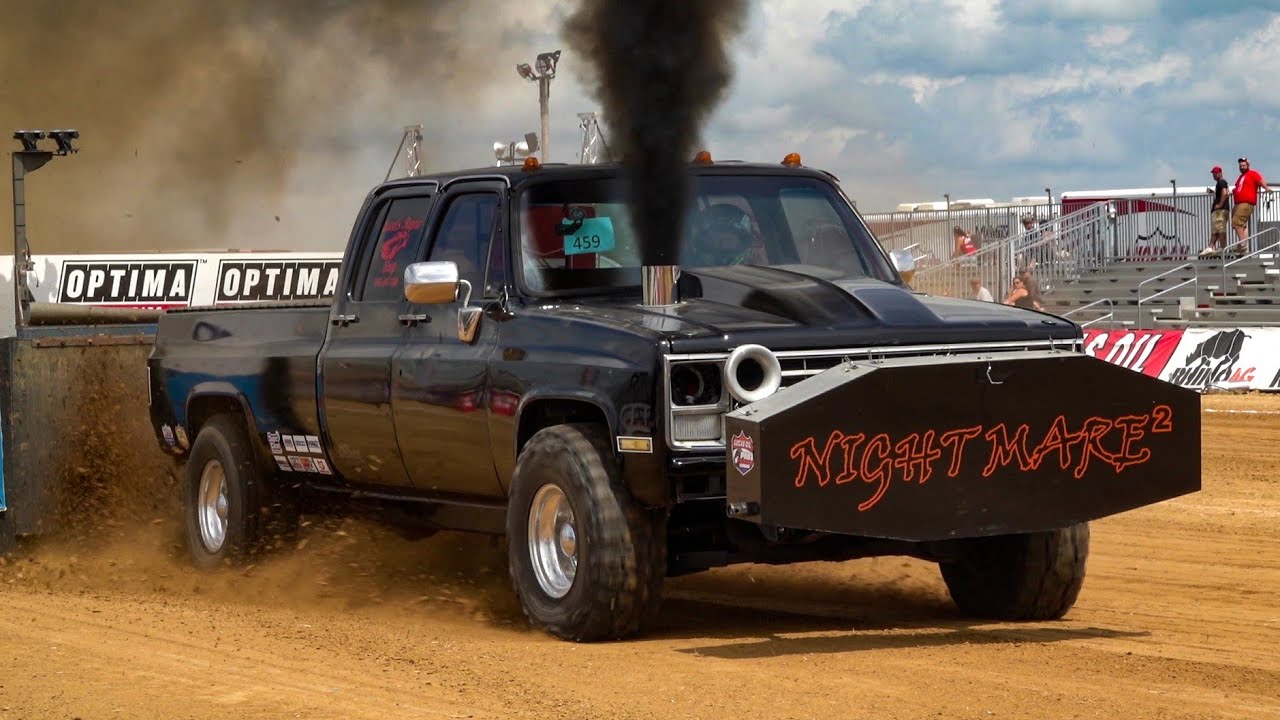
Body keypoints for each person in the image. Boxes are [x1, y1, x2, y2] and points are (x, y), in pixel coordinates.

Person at [1231, 157, 1270, 252]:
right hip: (1238, 203)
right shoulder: (1241, 177)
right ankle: (1244, 246)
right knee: (1241, 225)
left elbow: (1260, 181)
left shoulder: (1252, 174)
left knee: (1236, 222)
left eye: (1244, 165)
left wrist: (1266, 188)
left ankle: (1243, 244)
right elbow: (1238, 187)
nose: (1242, 167)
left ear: (1248, 165)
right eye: (1240, 166)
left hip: (1246, 203)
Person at [1202, 165, 1231, 256]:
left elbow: (1225, 193)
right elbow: (1226, 193)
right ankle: (1211, 246)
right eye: (1213, 173)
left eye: (1216, 173)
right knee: (1217, 229)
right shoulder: (1221, 183)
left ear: (1220, 173)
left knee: (1220, 228)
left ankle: (1221, 247)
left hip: (1220, 210)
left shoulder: (1221, 182)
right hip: (1220, 210)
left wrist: (1219, 205)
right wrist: (1213, 193)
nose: (1214, 175)